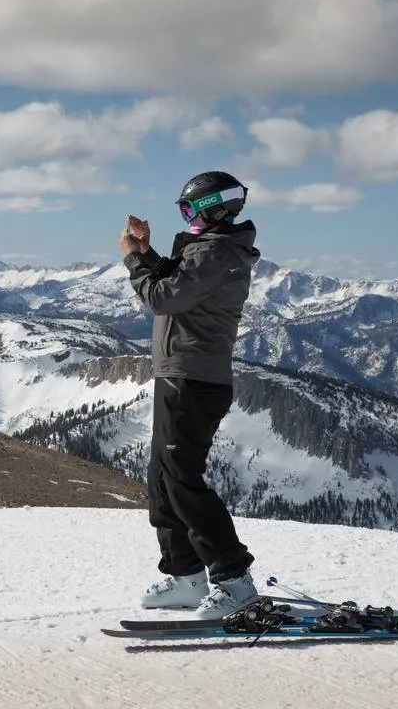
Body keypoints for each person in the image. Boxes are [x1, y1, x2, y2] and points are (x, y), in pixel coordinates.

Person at [118, 170, 262, 619]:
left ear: (213, 209)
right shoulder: (209, 252)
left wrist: (133, 262)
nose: (186, 218)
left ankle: (234, 580)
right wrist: (147, 252)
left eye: (188, 211)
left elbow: (162, 297)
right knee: (163, 479)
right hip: (179, 374)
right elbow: (179, 283)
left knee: (182, 480)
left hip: (195, 379)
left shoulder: (218, 254)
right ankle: (187, 576)